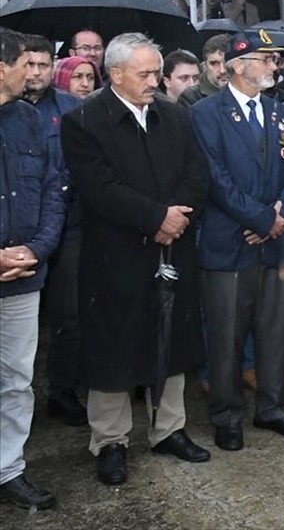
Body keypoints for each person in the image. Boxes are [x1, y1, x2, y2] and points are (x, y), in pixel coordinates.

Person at [60, 33, 211, 486]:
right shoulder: (84, 121)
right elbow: (100, 188)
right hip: (116, 255)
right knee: (113, 345)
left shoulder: (174, 114)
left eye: (156, 73)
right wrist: (156, 218)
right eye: (144, 74)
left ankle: (169, 429)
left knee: (172, 336)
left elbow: (197, 172)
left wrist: (177, 218)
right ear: (115, 74)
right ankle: (110, 440)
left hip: (174, 245)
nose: (153, 81)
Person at [190, 31, 284, 451]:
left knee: (276, 331)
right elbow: (214, 179)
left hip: (276, 244)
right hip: (229, 244)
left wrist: (278, 217)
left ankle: (273, 407)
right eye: (266, 59)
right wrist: (262, 218)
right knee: (226, 336)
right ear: (238, 65)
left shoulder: (279, 112)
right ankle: (226, 415)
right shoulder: (206, 114)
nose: (275, 66)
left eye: (275, 59)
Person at [0, 28, 65, 510]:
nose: (35, 72)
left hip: (23, 278)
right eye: (26, 63)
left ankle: (8, 470)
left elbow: (52, 189)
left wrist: (38, 249)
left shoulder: (29, 119)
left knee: (17, 381)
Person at [21, 35, 86, 427]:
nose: (35, 73)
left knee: (69, 316)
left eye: (43, 65)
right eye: (29, 64)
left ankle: (62, 391)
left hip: (69, 227)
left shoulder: (71, 109)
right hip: (17, 232)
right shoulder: (7, 109)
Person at [179, 34, 230, 108]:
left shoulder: (247, 91)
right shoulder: (190, 98)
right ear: (205, 65)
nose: (222, 70)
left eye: (227, 62)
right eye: (214, 63)